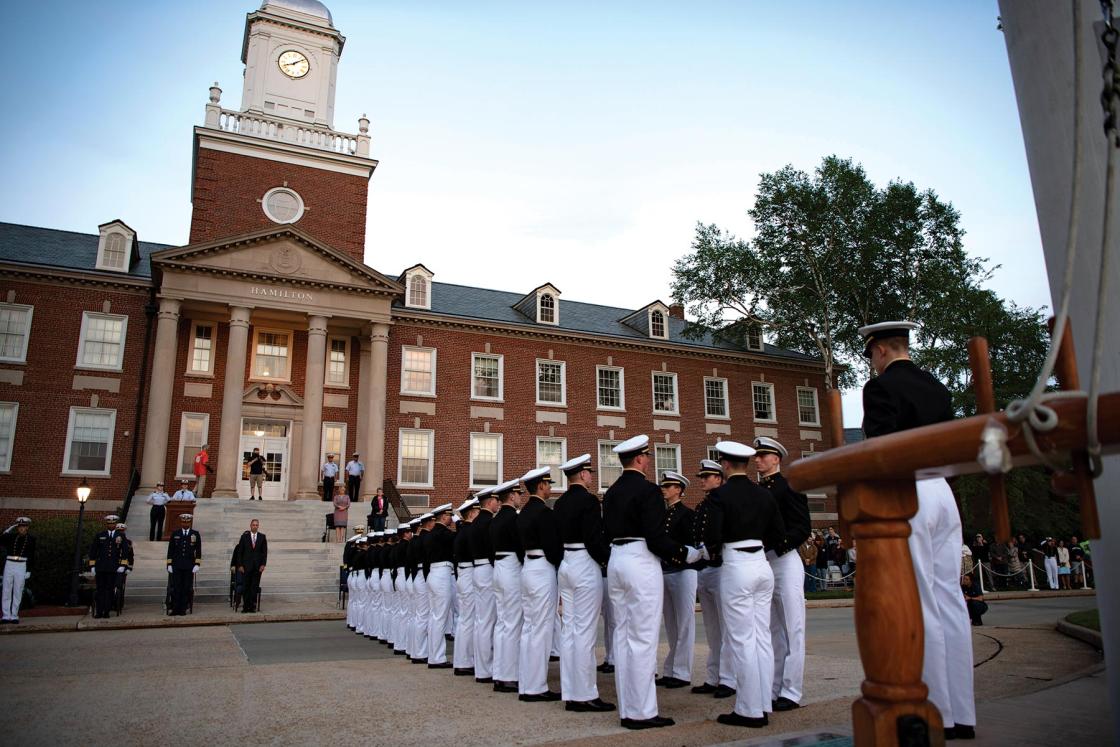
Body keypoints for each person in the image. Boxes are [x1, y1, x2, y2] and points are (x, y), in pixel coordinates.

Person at [860, 320, 976, 740]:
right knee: (950, 600)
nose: (873, 363)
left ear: (881, 351)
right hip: (944, 491)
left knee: (922, 598)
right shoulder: (937, 386)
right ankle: (963, 713)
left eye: (871, 356)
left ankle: (936, 710)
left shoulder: (880, 388)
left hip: (910, 491)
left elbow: (881, 446)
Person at [602, 434, 701, 730]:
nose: (648, 461)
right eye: (647, 456)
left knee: (622, 636)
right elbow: (657, 537)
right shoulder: (647, 491)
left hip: (617, 559)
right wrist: (686, 553)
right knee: (643, 638)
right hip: (640, 559)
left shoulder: (612, 491)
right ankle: (642, 711)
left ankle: (628, 707)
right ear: (641, 459)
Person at [709, 440, 785, 729]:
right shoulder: (764, 495)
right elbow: (778, 534)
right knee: (761, 636)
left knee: (742, 639)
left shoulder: (721, 496)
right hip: (762, 564)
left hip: (737, 564)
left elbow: (714, 537)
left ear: (726, 465)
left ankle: (749, 710)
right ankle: (763, 700)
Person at [754, 435, 811, 712]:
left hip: (785, 560)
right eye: (757, 455)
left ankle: (791, 689)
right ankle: (774, 687)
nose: (758, 460)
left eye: (763, 455)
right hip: (763, 562)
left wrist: (779, 546)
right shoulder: (756, 489)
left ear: (776, 458)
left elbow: (802, 527)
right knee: (772, 628)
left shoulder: (789, 486)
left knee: (792, 627)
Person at [553, 454, 614, 712]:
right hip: (584, 562)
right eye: (590, 472)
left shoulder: (560, 502)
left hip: (566, 563)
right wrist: (608, 559)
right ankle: (585, 693)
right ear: (583, 475)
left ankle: (571, 691)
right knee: (585, 632)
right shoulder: (589, 500)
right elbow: (593, 537)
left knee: (569, 630)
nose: (591, 476)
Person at [514, 466, 563, 702]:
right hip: (542, 567)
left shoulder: (523, 513)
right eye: (549, 484)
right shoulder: (544, 512)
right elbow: (553, 547)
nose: (550, 488)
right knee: (542, 629)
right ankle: (536, 686)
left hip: (527, 567)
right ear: (541, 486)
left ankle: (527, 683)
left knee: (529, 627)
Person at [690, 459, 736, 699]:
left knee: (726, 627)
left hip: (720, 567)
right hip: (705, 568)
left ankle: (729, 679)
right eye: (702, 477)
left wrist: (713, 549)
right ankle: (713, 675)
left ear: (719, 478)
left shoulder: (723, 502)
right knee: (712, 628)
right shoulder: (703, 505)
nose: (703, 481)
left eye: (707, 477)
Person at [657, 471, 696, 691]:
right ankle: (671, 669)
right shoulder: (663, 515)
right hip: (666, 571)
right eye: (664, 485)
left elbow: (691, 546)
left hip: (683, 571)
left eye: (669, 486)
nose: (665, 489)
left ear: (679, 489)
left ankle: (682, 672)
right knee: (671, 624)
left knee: (684, 623)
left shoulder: (686, 514)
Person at [490, 478, 525, 693]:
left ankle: (499, 673)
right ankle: (510, 675)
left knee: (502, 622)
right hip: (511, 566)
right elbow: (520, 546)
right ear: (511, 496)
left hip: (498, 567)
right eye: (518, 494)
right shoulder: (513, 518)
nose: (521, 497)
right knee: (512, 622)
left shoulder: (495, 520)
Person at [470, 487, 498, 685]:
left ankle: (481, 667)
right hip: (487, 569)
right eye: (496, 500)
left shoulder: (474, 523)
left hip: (476, 569)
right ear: (489, 502)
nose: (498, 503)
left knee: (481, 620)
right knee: (489, 620)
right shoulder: (489, 522)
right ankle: (486, 667)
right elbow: (492, 549)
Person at [425, 503, 456, 669]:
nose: (451, 518)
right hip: (442, 573)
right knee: (440, 618)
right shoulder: (444, 534)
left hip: (433, 574)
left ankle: (433, 654)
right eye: (450, 515)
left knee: (434, 617)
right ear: (443, 517)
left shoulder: (430, 534)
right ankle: (437, 657)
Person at [453, 496, 479, 676]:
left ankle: (462, 659)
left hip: (462, 573)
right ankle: (465, 660)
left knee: (464, 619)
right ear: (471, 513)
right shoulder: (470, 531)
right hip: (469, 573)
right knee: (469, 619)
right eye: (477, 511)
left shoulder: (461, 531)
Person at [89, 514, 127, 619]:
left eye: (113, 524)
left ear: (115, 524)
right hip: (101, 567)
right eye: (109, 524)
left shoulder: (121, 536)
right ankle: (99, 611)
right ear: (106, 524)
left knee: (110, 590)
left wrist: (123, 565)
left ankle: (107, 611)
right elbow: (93, 551)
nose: (111, 525)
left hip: (113, 567)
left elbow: (125, 551)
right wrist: (92, 565)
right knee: (100, 589)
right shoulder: (100, 535)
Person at [1, 517, 35, 624]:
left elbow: (32, 555)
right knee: (6, 590)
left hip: (21, 565)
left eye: (23, 527)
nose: (21, 529)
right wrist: (9, 529)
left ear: (27, 528)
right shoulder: (11, 537)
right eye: (19, 527)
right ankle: (6, 615)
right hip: (10, 563)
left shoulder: (31, 539)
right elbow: (1, 539)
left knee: (18, 590)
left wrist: (28, 570)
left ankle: (14, 615)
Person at [166, 513, 202, 616]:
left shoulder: (195, 534)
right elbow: (171, 550)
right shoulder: (175, 533)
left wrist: (197, 564)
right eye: (183, 521)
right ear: (181, 522)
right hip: (177, 565)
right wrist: (169, 564)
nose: (185, 523)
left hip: (189, 565)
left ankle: (183, 608)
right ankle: (175, 608)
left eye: (187, 522)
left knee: (186, 587)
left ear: (190, 522)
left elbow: (198, 550)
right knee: (177, 587)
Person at [234, 519, 267, 613]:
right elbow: (240, 552)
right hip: (246, 567)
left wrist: (263, 564)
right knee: (246, 587)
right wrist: (240, 565)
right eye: (253, 525)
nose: (255, 526)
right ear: (250, 525)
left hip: (257, 567)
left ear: (258, 526)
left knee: (254, 587)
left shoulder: (262, 537)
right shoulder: (244, 537)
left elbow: (264, 553)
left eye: (257, 525)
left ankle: (252, 606)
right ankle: (245, 607)